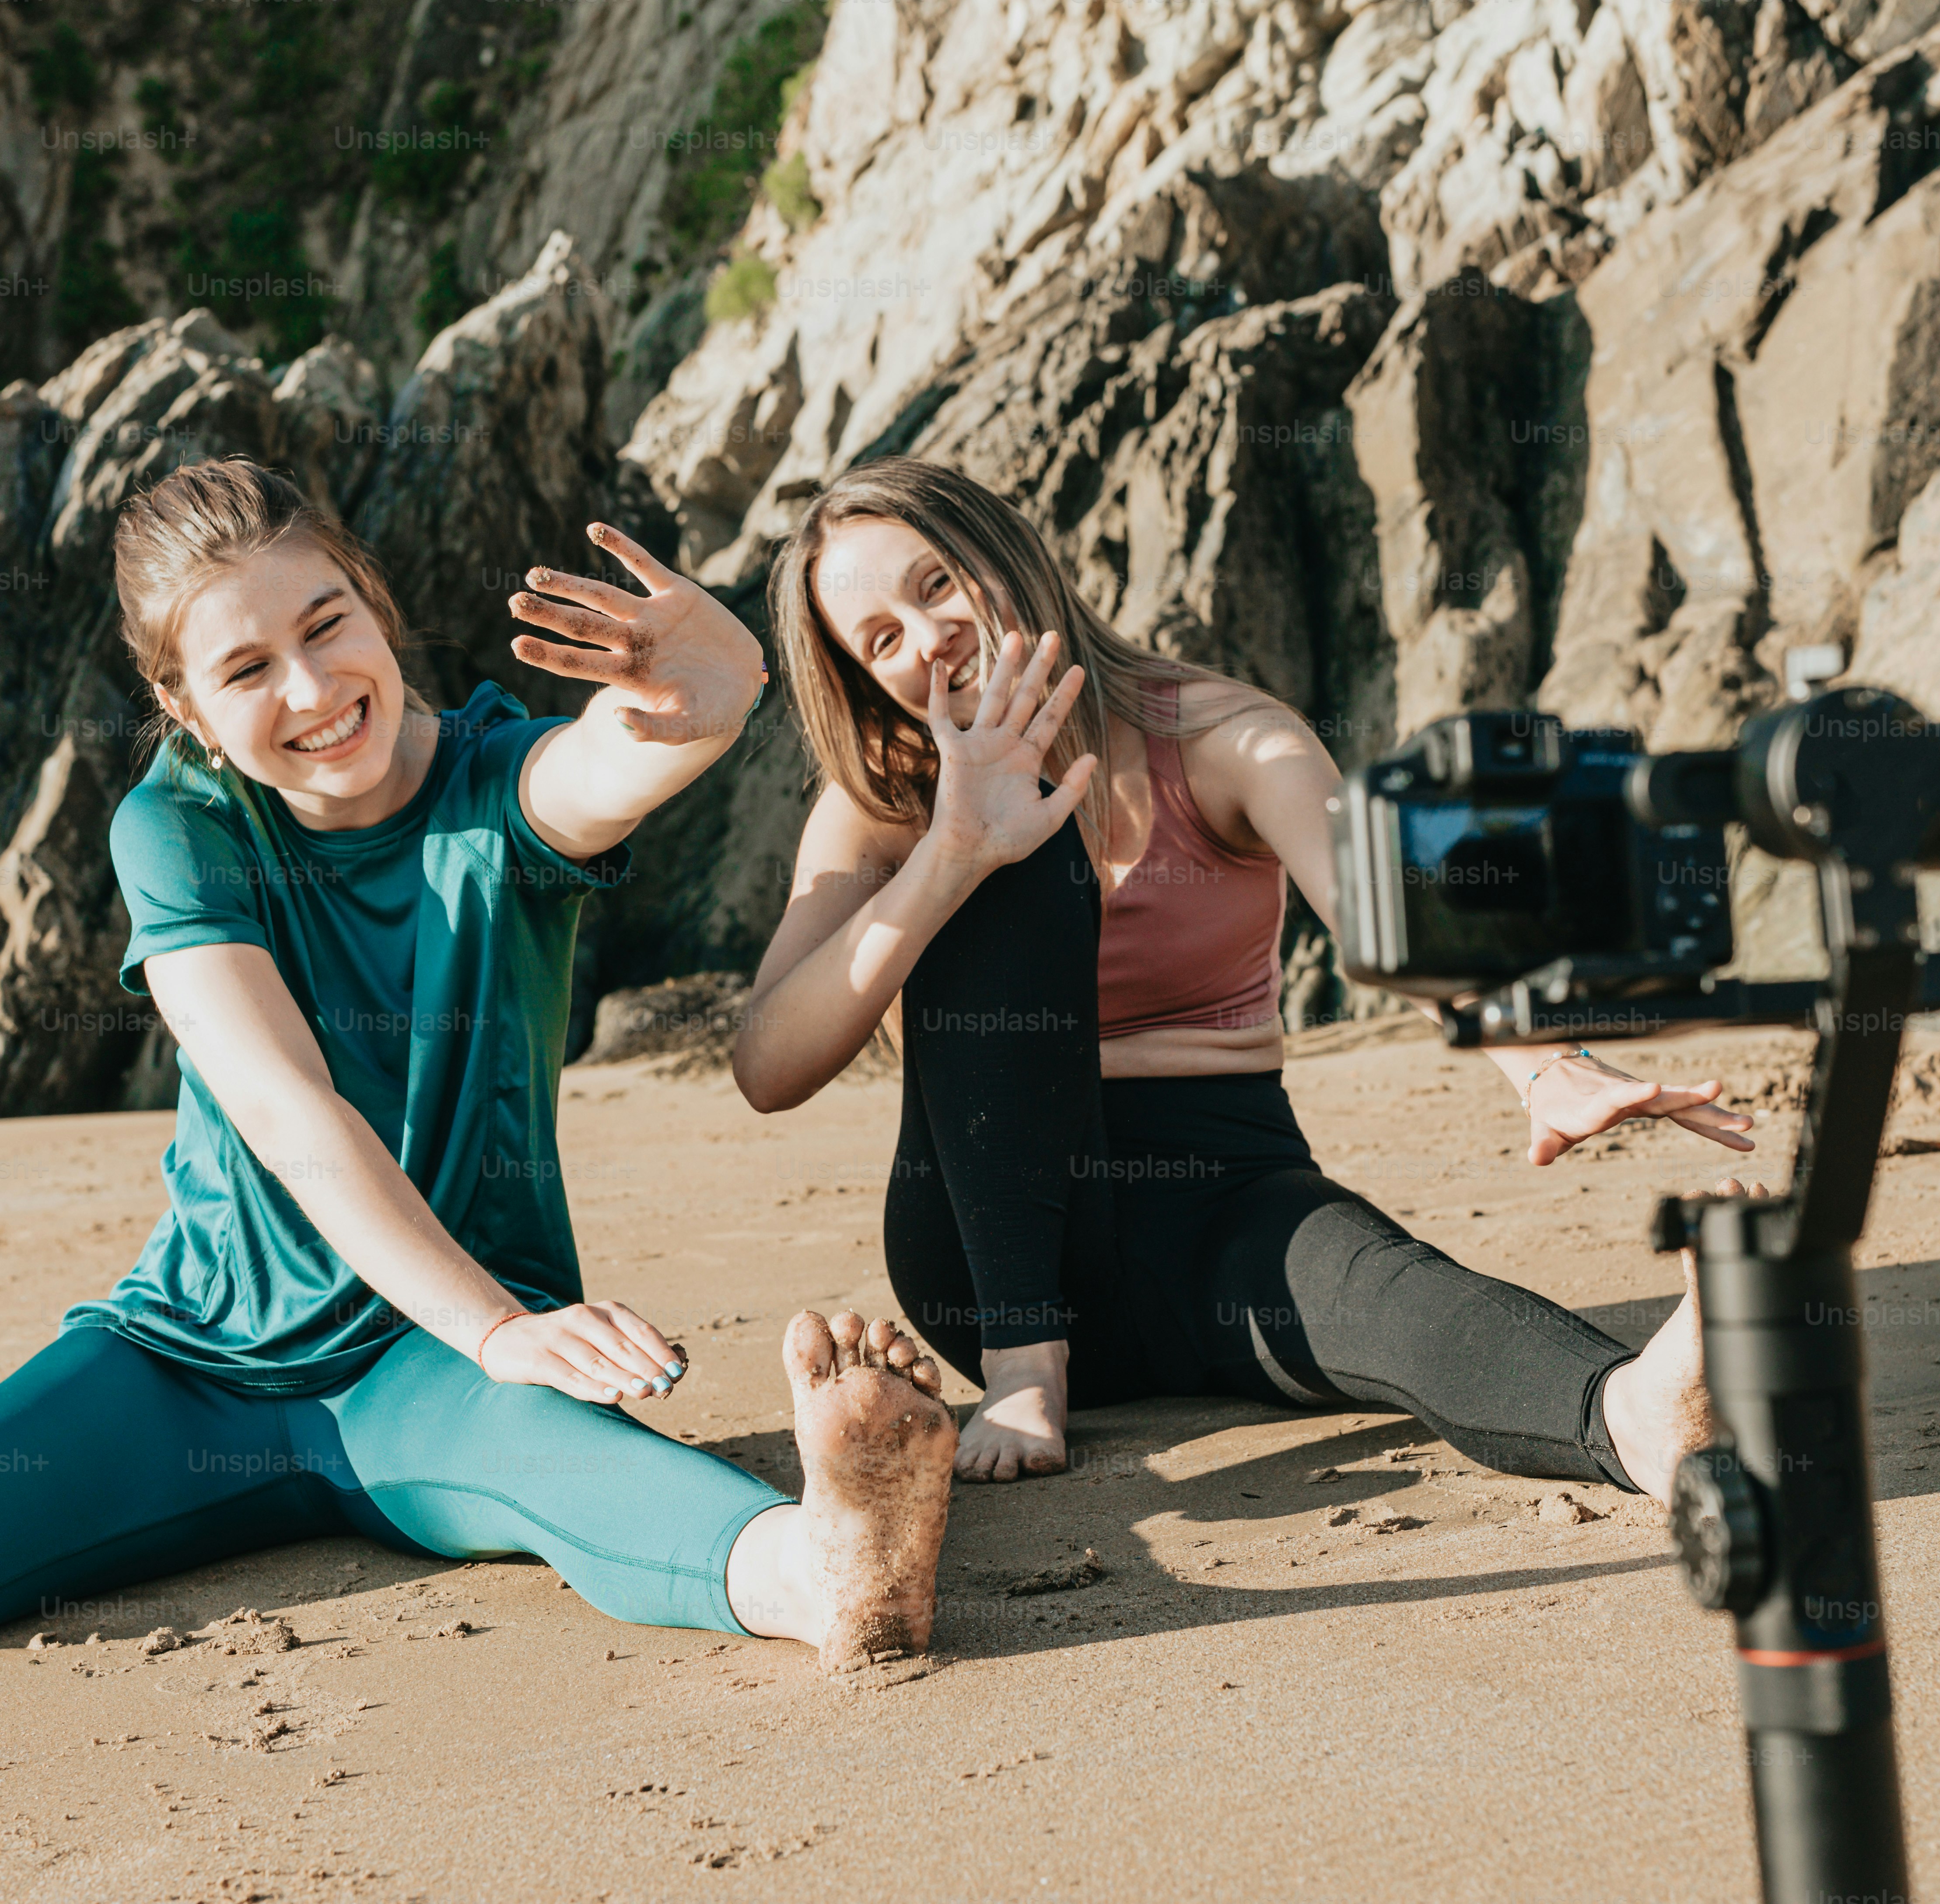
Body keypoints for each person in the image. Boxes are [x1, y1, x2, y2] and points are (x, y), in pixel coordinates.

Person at [0, 459, 954, 1672]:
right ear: (189, 712)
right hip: (192, 1369)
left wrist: (712, 690)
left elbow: (608, 765)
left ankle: (836, 1566)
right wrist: (502, 1331)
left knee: (615, 1492)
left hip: (429, 1375)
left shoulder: (493, 785)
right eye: (246, 670)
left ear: (376, 608)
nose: (314, 688)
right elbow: (291, 1112)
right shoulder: (182, 830)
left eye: (328, 625)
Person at [735, 457, 1767, 1490]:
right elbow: (768, 1066)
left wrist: (1546, 1066)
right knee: (1006, 840)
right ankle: (1024, 1361)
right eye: (883, 643)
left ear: (1002, 550)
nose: (930, 639)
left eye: (935, 585)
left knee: (1388, 1287)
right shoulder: (879, 806)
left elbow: (1384, 917)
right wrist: (947, 855)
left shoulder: (1225, 735)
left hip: (1225, 1200)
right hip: (988, 1242)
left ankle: (1634, 1413)